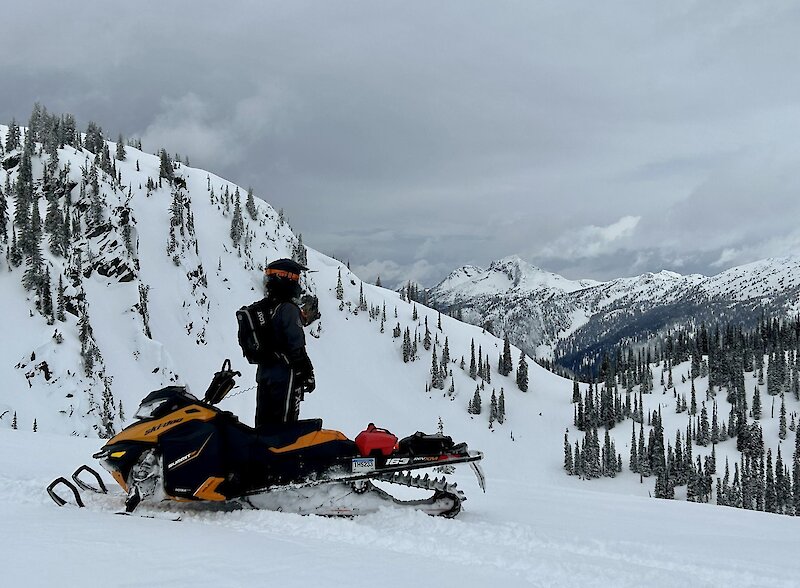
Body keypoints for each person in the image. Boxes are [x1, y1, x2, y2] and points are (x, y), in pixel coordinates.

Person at [251, 258, 316, 427]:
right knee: (285, 428)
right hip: (286, 376)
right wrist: (307, 373)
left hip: (265, 375)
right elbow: (296, 344)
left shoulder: (261, 308)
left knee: (263, 426)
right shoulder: (287, 309)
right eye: (296, 278)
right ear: (287, 278)